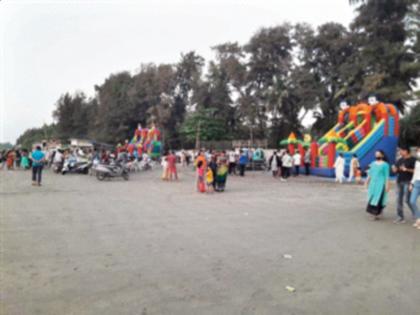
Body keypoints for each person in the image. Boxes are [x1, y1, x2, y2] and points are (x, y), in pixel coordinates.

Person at [392, 147, 416, 224]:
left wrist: (407, 169)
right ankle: (400, 217)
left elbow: (416, 171)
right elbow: (395, 170)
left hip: (408, 181)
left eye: (401, 150)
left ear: (406, 151)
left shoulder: (413, 159)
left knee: (408, 200)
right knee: (399, 200)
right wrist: (394, 169)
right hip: (399, 181)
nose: (400, 152)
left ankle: (416, 214)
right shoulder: (400, 160)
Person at [365, 150, 390, 220]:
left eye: (378, 154)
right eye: (376, 154)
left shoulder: (385, 165)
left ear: (382, 155)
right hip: (373, 184)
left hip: (381, 185)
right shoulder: (372, 163)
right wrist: (366, 182)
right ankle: (377, 213)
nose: (377, 155)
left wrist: (387, 185)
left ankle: (375, 214)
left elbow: (387, 176)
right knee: (372, 198)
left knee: (378, 199)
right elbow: (370, 174)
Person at [409, 147, 420, 230]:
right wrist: (411, 183)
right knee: (412, 201)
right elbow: (415, 172)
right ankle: (418, 218)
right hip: (416, 182)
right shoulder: (417, 160)